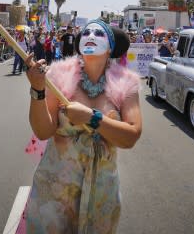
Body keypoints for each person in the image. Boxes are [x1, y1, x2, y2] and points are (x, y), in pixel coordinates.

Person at [24, 19, 141, 233]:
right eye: (86, 32)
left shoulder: (127, 83)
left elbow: (131, 136)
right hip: (55, 190)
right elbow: (43, 132)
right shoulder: (58, 77)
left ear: (111, 46)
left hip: (101, 192)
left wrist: (92, 118)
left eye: (99, 33)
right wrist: (38, 90)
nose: (91, 36)